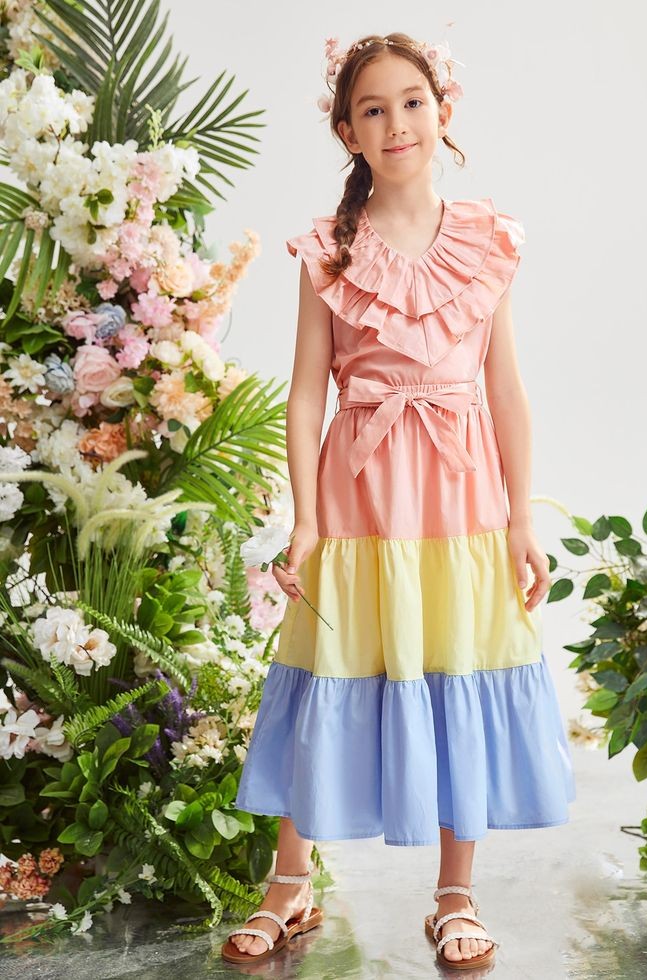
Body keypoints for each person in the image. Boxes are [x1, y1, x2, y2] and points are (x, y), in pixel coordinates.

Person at [222, 31, 576, 970]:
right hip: (359, 498)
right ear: (348, 131)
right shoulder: (328, 252)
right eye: (372, 109)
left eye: (412, 102)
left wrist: (522, 519)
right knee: (330, 670)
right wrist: (305, 519)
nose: (396, 122)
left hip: (461, 498)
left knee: (456, 665)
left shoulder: (488, 241)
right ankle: (290, 883)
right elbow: (306, 394)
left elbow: (506, 388)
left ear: (442, 111)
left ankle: (455, 891)